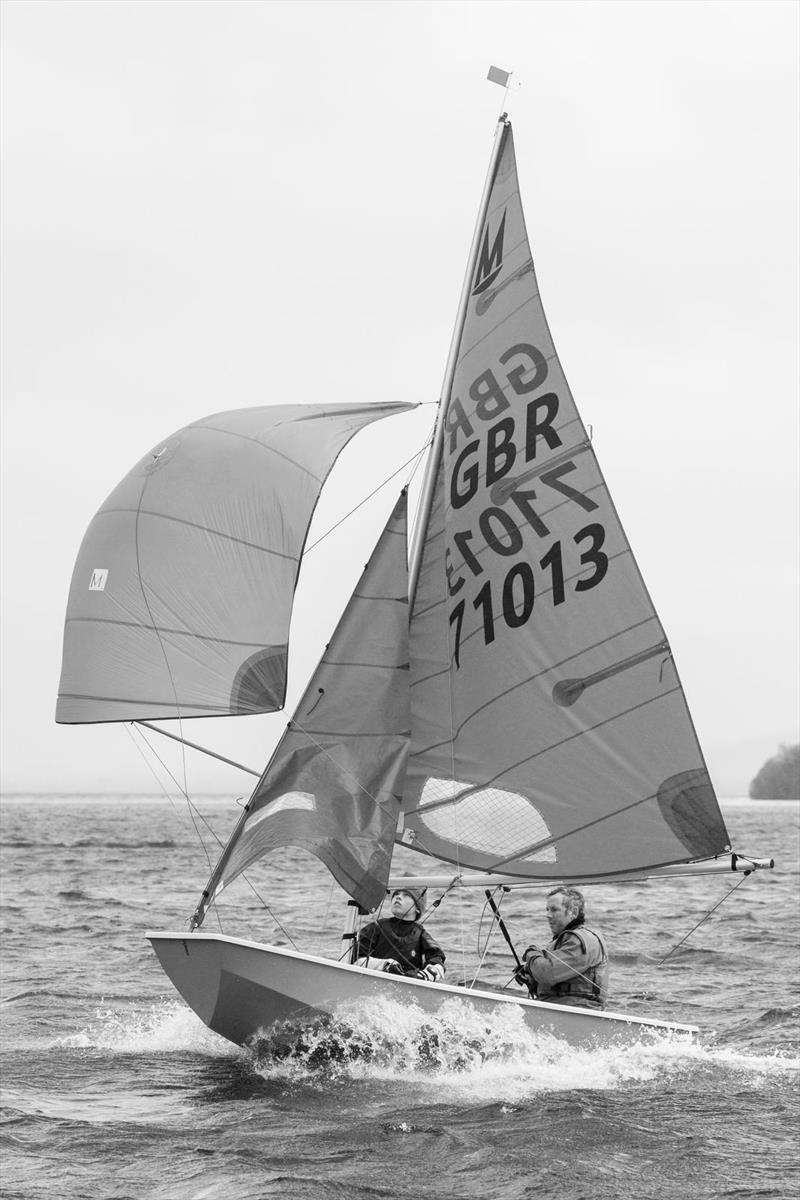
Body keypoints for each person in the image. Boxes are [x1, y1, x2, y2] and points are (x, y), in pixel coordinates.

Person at [514, 886, 608, 1009]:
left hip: (577, 1012)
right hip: (555, 1008)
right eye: (547, 909)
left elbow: (548, 973)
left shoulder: (582, 940)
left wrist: (531, 953)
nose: (548, 915)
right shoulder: (564, 940)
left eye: (554, 910)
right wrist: (532, 978)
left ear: (573, 912)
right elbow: (558, 979)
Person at [355, 886, 446, 981]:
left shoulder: (421, 934)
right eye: (396, 894)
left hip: (409, 983)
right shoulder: (377, 927)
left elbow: (437, 959)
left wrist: (425, 975)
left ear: (418, 909)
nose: (398, 897)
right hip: (374, 979)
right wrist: (385, 965)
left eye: (406, 895)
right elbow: (355, 958)